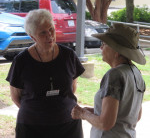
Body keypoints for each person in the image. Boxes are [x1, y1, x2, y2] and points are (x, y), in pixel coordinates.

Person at [6, 9, 85, 138]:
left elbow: (72, 88)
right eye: (43, 32)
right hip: (32, 127)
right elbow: (16, 97)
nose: (50, 35)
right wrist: (39, 113)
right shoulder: (21, 61)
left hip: (68, 124)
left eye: (51, 29)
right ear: (32, 37)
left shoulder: (68, 55)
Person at [71, 23, 146, 138]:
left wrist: (83, 113)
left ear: (117, 52)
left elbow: (105, 123)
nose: (101, 47)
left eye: (104, 44)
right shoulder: (136, 73)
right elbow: (134, 115)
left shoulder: (114, 75)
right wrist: (93, 111)